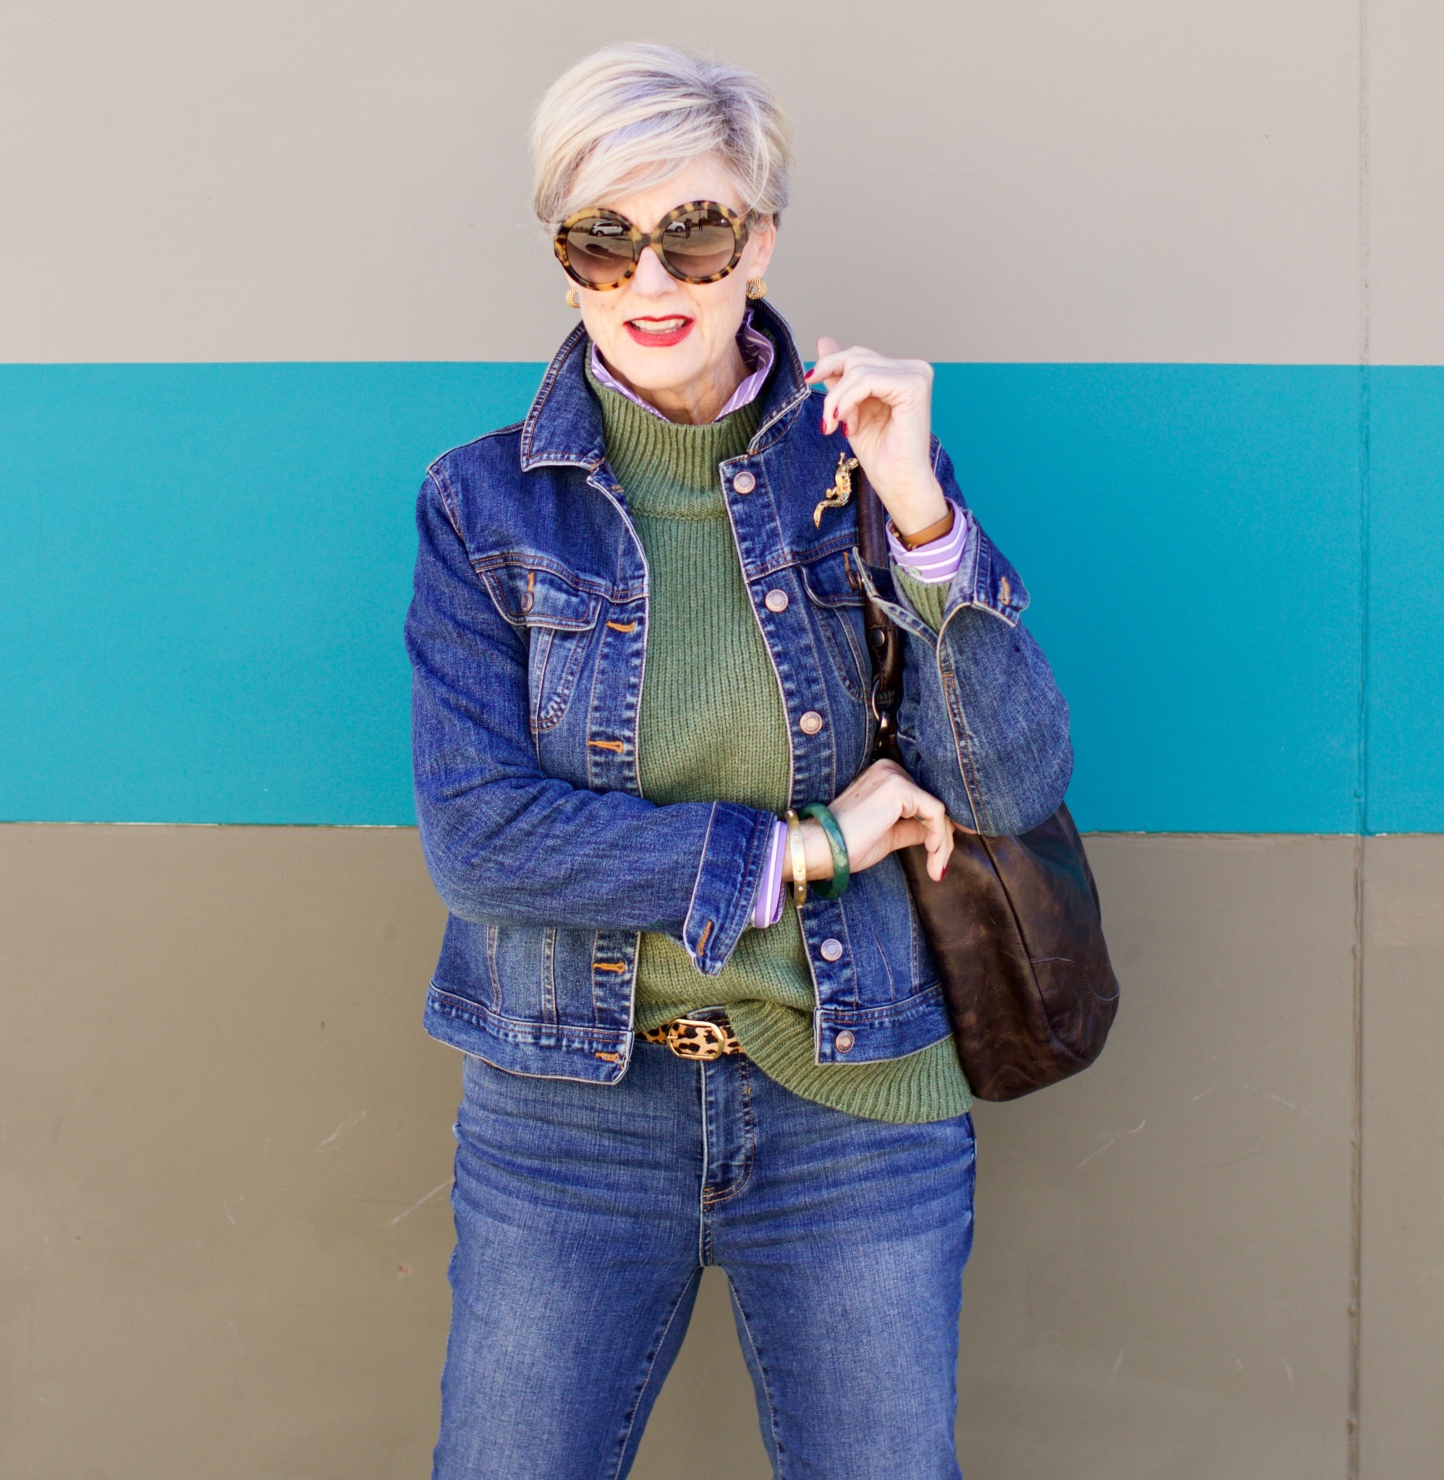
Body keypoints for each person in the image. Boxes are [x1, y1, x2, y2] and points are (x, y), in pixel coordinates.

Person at [405, 42, 1071, 1480]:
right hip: (567, 1111)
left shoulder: (863, 467)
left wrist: (918, 518)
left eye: (692, 231)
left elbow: (1006, 786)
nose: (651, 279)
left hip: (858, 1106)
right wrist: (807, 846)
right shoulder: (482, 506)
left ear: (758, 238)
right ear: (564, 257)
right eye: (602, 238)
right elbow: (480, 841)